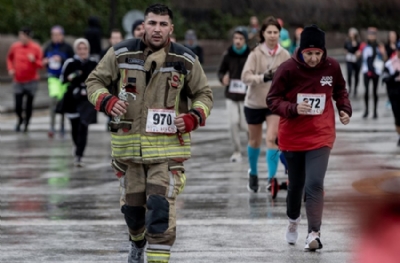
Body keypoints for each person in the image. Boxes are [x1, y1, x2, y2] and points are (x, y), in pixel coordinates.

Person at [85, 4, 213, 263]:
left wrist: (192, 117)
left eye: (163, 24)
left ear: (171, 28)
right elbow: (93, 82)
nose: (157, 29)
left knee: (159, 209)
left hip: (167, 151)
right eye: (152, 23)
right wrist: (108, 101)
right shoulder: (121, 53)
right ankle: (136, 241)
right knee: (133, 213)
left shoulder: (185, 59)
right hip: (128, 149)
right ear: (143, 25)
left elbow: (204, 95)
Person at [267, 25, 352, 251]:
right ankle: (293, 220)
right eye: (309, 53)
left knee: (315, 183)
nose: (313, 58)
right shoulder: (287, 69)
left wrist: (345, 109)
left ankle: (313, 233)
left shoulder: (332, 66)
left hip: (320, 134)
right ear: (300, 51)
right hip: (293, 136)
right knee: (296, 185)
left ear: (324, 52)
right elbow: (272, 100)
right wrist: (293, 108)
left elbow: (340, 90)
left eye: (317, 53)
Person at [241, 16, 290, 194]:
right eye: (269, 32)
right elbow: (245, 77)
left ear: (279, 34)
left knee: (272, 138)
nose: (272, 35)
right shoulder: (255, 53)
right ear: (263, 33)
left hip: (274, 104)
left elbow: (291, 78)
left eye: (275, 32)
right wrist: (263, 77)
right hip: (254, 103)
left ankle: (271, 178)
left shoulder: (284, 54)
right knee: (254, 141)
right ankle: (253, 173)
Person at [59, 38, 98, 167]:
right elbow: (63, 79)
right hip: (72, 100)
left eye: (85, 48)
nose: (82, 51)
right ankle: (77, 148)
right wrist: (73, 76)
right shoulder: (70, 62)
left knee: (83, 126)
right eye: (80, 49)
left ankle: (79, 155)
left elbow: (100, 79)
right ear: (76, 50)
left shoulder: (93, 63)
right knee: (75, 127)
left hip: (87, 100)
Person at [217, 26, 251, 163]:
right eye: (235, 38)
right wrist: (222, 78)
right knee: (233, 123)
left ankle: (251, 148)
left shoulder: (251, 54)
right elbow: (220, 71)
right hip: (231, 94)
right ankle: (237, 151)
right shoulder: (228, 54)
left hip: (246, 95)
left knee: (245, 125)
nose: (237, 41)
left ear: (245, 40)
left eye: (241, 38)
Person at [6, 26, 43, 132]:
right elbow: (9, 58)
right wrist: (10, 68)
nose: (20, 38)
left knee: (28, 105)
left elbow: (41, 65)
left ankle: (27, 123)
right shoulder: (15, 46)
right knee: (18, 105)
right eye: (19, 36)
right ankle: (20, 119)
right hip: (18, 80)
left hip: (32, 80)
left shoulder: (36, 48)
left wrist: (33, 60)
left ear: (28, 36)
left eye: (22, 36)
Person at [43, 25, 74, 138]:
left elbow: (72, 62)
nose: (55, 37)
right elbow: (43, 60)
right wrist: (45, 61)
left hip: (64, 78)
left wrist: (61, 59)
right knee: (53, 100)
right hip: (53, 77)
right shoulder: (48, 47)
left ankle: (62, 125)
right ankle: (52, 126)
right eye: (53, 35)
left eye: (57, 35)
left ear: (62, 35)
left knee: (63, 102)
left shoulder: (67, 48)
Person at [362, 27, 387, 119]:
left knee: (375, 91)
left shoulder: (379, 46)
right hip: (366, 70)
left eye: (373, 34)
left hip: (376, 71)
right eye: (369, 34)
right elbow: (360, 56)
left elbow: (384, 58)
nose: (371, 36)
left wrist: (383, 53)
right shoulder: (364, 45)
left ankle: (375, 111)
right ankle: (366, 110)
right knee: (366, 91)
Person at [382, 41, 400, 146]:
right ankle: (399, 136)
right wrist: (394, 76)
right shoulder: (390, 63)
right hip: (394, 92)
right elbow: (384, 78)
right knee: (397, 116)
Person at [344, 27, 362, 98]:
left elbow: (360, 49)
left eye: (352, 33)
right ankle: (350, 88)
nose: (351, 34)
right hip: (349, 59)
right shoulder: (347, 41)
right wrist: (346, 53)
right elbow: (345, 49)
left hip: (356, 60)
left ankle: (355, 89)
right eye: (350, 33)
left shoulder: (358, 42)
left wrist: (359, 53)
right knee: (349, 73)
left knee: (356, 75)